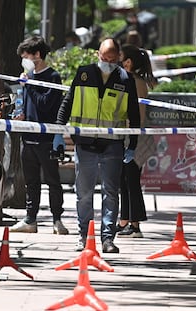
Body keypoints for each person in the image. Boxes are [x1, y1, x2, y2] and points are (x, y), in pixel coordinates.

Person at [56, 38, 140, 253]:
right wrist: (58, 130)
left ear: (118, 57)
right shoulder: (84, 73)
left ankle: (107, 238)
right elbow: (68, 100)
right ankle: (84, 236)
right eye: (104, 57)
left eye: (112, 59)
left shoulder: (125, 79)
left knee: (110, 192)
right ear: (97, 54)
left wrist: (133, 145)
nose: (108, 62)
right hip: (85, 143)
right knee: (83, 193)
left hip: (113, 145)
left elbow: (134, 114)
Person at [10, 35, 69, 235]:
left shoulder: (52, 77)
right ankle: (30, 218)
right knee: (31, 181)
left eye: (26, 55)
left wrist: (29, 85)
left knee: (53, 180)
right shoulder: (28, 77)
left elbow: (45, 104)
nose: (23, 59)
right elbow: (28, 104)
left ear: (37, 55)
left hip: (47, 138)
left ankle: (57, 220)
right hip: (28, 137)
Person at [117, 44, 156, 238]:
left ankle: (135, 223)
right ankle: (124, 220)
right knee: (123, 180)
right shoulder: (127, 79)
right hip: (126, 135)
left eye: (120, 56)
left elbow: (138, 116)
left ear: (128, 62)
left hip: (135, 137)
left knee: (131, 179)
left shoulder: (137, 82)